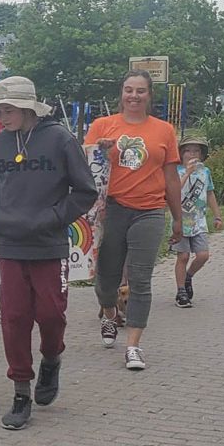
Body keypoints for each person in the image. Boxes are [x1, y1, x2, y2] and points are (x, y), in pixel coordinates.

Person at [0, 76, 96, 430]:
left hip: (49, 245)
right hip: (10, 245)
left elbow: (85, 191)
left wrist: (52, 218)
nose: (1, 118)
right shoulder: (0, 144)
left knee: (51, 315)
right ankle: (21, 391)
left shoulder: (60, 139)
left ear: (27, 108)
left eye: (7, 110)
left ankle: (51, 358)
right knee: (14, 318)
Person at [84, 69, 183, 371]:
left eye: (141, 91)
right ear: (122, 93)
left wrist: (178, 218)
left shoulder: (164, 130)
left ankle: (133, 346)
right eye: (129, 90)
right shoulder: (103, 125)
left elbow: (171, 177)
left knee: (140, 280)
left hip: (150, 211)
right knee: (106, 280)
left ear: (149, 95)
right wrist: (99, 150)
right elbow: (86, 166)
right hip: (112, 210)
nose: (134, 96)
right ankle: (109, 313)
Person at [173, 137, 223, 308]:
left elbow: (210, 193)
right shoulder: (176, 171)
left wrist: (217, 216)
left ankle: (188, 276)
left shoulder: (205, 172)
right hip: (180, 221)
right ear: (181, 154)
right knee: (183, 256)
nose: (192, 154)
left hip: (198, 221)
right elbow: (174, 191)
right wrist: (187, 172)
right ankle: (181, 291)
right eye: (188, 151)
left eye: (196, 151)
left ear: (202, 155)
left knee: (203, 255)